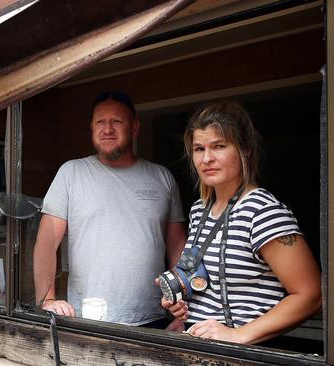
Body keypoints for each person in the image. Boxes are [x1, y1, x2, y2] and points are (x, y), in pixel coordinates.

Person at [162, 101, 321, 344]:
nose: (207, 158)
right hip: (199, 348)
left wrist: (238, 335)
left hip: (244, 352)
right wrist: (181, 300)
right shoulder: (199, 210)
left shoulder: (261, 211)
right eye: (199, 148)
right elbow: (210, 280)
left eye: (219, 146)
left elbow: (311, 295)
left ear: (245, 149)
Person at [33, 91, 187, 327]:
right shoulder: (71, 173)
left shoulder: (161, 177)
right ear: (91, 127)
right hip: (89, 317)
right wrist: (47, 299)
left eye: (116, 122)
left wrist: (181, 304)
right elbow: (46, 242)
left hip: (154, 318)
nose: (107, 129)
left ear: (134, 128)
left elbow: (176, 245)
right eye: (100, 122)